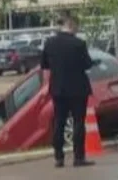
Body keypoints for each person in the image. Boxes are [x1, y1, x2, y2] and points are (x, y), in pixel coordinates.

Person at [40, 11, 94, 168]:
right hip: (78, 88)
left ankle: (59, 157)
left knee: (59, 122)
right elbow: (87, 64)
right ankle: (78, 157)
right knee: (78, 122)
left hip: (58, 88)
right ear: (71, 25)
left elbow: (44, 65)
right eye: (76, 26)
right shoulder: (79, 44)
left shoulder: (49, 43)